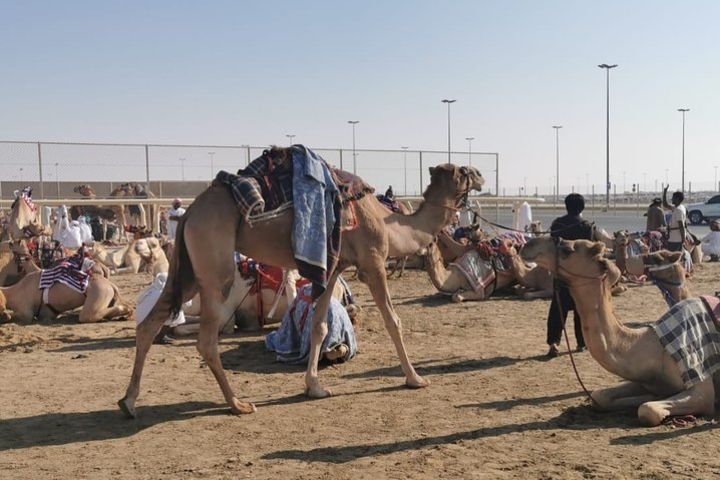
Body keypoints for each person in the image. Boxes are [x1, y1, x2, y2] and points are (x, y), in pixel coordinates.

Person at [546, 193, 592, 358]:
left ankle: (554, 343)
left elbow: (552, 249)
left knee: (558, 309)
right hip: (579, 276)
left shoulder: (557, 224)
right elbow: (589, 253)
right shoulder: (586, 226)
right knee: (581, 310)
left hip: (561, 274)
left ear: (566, 206)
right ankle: (581, 343)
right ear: (582, 207)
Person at [662, 186, 686, 252]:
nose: (672, 199)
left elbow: (681, 226)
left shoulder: (678, 210)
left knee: (673, 257)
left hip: (676, 238)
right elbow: (665, 205)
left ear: (677, 199)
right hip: (674, 237)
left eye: (673, 198)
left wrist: (683, 239)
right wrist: (665, 192)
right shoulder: (678, 208)